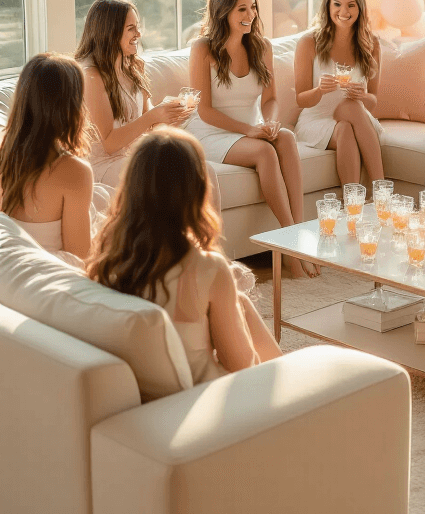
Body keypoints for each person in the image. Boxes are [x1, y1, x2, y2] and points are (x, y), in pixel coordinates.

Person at [88, 129, 281, 382]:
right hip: (199, 397)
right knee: (273, 365)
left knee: (241, 303)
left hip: (149, 391)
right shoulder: (207, 268)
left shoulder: (107, 254)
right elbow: (242, 366)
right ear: (195, 189)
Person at [187, 0, 313, 278]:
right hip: (210, 131)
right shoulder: (202, 49)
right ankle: (292, 247)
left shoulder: (262, 47)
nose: (250, 15)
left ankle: (299, 240)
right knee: (265, 154)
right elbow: (202, 110)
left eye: (252, 7)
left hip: (250, 128)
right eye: (241, 9)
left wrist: (269, 121)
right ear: (223, 11)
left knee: (285, 138)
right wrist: (250, 130)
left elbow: (270, 99)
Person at [76, 0, 190, 189]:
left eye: (138, 26)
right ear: (110, 32)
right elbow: (110, 143)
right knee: (166, 179)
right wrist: (153, 116)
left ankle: (206, 221)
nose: (138, 33)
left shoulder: (133, 66)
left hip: (134, 155)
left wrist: (170, 115)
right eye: (131, 28)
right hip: (103, 165)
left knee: (201, 170)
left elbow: (149, 123)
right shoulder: (91, 76)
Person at [0, 53, 96, 267]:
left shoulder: (5, 150)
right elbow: (78, 257)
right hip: (50, 274)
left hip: (9, 267)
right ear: (71, 107)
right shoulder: (75, 171)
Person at [294, 0, 383, 189]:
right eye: (337, 4)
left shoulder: (371, 43)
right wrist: (319, 90)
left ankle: (354, 203)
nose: (344, 12)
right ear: (328, 6)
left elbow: (372, 101)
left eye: (351, 5)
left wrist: (362, 96)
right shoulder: (309, 42)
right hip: (317, 119)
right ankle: (380, 189)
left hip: (358, 116)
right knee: (344, 126)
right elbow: (301, 100)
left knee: (351, 108)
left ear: (360, 8)